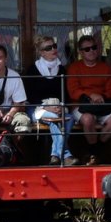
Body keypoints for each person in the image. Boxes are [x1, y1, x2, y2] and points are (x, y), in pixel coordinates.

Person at [67, 34, 111, 164]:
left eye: (94, 47)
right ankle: (95, 153)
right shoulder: (74, 68)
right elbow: (73, 91)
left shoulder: (105, 67)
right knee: (88, 119)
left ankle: (95, 151)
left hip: (102, 105)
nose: (91, 51)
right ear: (81, 52)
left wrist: (102, 97)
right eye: (87, 49)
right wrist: (90, 96)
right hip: (81, 105)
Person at [25, 34, 78, 166]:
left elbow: (65, 93)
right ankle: (66, 155)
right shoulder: (32, 70)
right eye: (48, 48)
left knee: (70, 118)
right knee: (54, 120)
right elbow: (30, 96)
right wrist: (45, 107)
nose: (53, 49)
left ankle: (55, 155)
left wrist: (60, 105)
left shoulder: (61, 69)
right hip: (38, 107)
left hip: (57, 106)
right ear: (41, 53)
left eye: (54, 46)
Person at [0, 44, 32, 133]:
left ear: (6, 59)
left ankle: (13, 146)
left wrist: (11, 114)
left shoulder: (15, 76)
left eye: (0, 58)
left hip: (10, 110)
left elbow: (18, 102)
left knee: (24, 122)